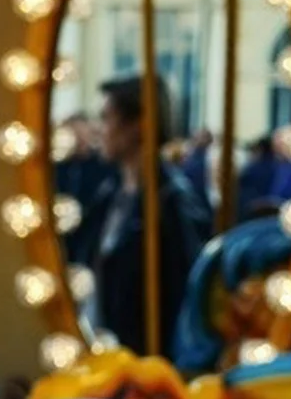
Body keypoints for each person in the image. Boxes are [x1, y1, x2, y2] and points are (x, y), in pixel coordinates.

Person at [66, 75, 211, 356]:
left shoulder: (172, 203)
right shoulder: (109, 195)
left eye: (108, 119)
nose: (99, 130)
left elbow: (184, 297)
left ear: (138, 125)